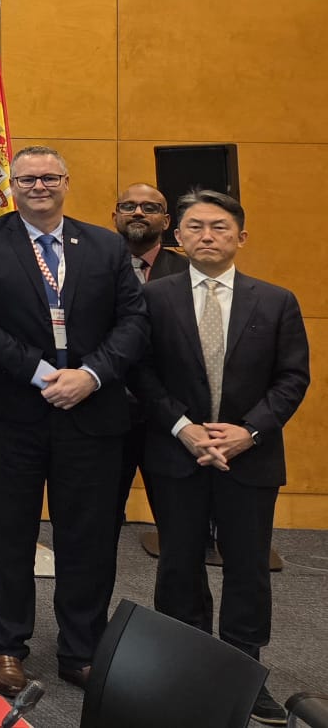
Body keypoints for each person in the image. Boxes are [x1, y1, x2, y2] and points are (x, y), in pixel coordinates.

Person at [0, 145, 148, 697]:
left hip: (91, 410)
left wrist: (91, 375)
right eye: (27, 179)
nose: (39, 186)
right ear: (11, 185)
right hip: (10, 412)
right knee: (7, 533)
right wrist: (39, 373)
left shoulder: (106, 245)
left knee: (88, 536)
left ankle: (81, 650)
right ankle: (6, 646)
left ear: (66, 182)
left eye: (49, 177)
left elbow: (134, 321)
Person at [128, 190, 309, 726]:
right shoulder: (153, 298)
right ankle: (183, 670)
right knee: (179, 563)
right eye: (195, 227)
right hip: (176, 451)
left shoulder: (276, 301)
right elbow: (140, 372)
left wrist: (247, 432)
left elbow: (292, 378)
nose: (207, 236)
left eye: (220, 227)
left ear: (241, 238)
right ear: (177, 236)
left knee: (248, 566)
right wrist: (183, 428)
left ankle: (243, 674)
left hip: (249, 456)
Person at [112, 182, 187, 527]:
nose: (138, 212)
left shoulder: (188, 272)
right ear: (115, 216)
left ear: (167, 221)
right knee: (101, 517)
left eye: (150, 207)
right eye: (128, 206)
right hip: (108, 409)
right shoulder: (92, 266)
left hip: (169, 413)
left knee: (178, 519)